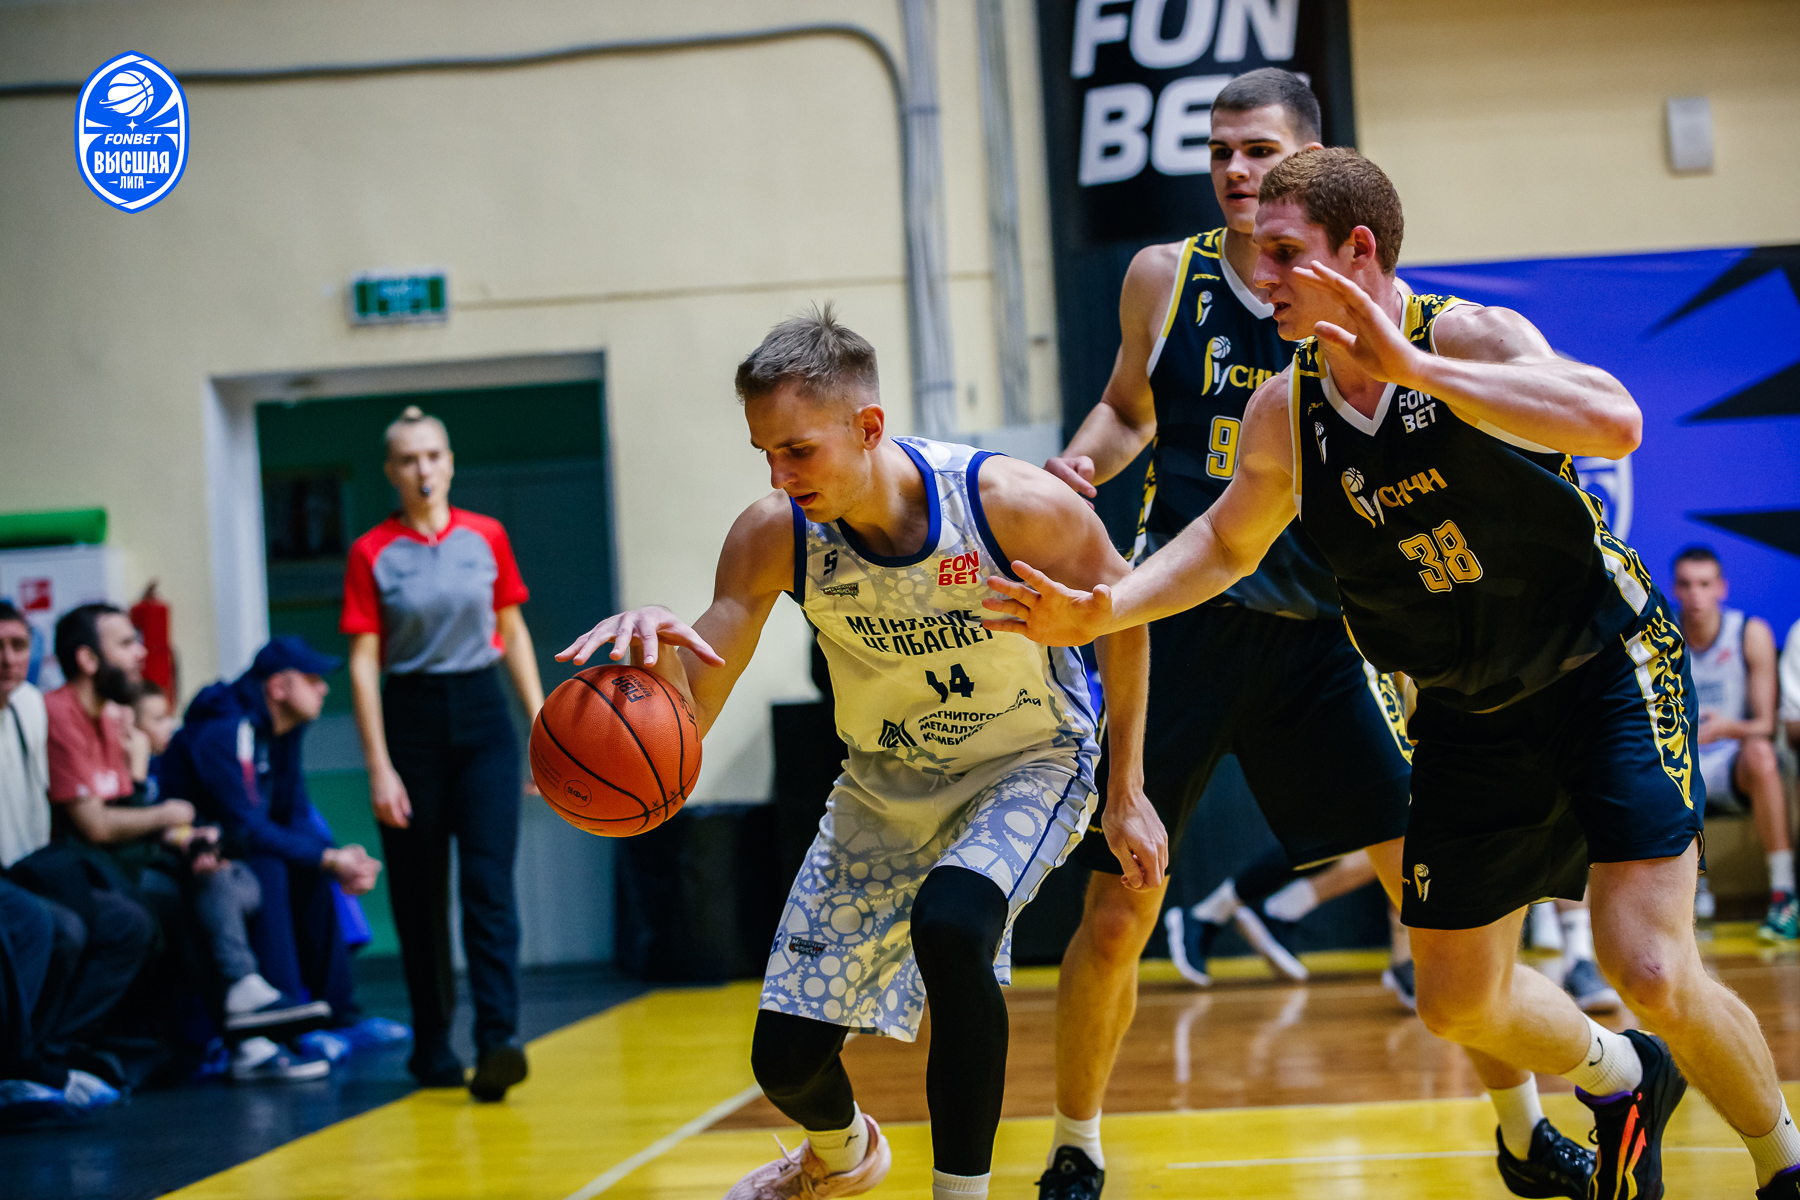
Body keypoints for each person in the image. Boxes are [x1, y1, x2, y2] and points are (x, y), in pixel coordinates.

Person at [985, 146, 1800, 1199]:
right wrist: (1111, 605)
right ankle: (1625, 1073)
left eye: (1285, 254)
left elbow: (1616, 419)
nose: (1262, 276)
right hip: (1466, 711)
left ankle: (1782, 1162)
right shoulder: (1286, 411)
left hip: (1598, 668)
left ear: (1357, 250)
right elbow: (1226, 544)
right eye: (1257, 255)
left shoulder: (1467, 337)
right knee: (1455, 999)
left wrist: (1417, 371)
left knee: (1647, 964)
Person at [1035, 69, 1586, 1200]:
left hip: (1328, 633)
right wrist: (1085, 459)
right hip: (1182, 624)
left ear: (1313, 169)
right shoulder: (1164, 278)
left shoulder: (1358, 301)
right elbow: (1131, 410)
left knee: (1432, 894)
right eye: (1220, 150)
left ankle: (1524, 1128)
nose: (1236, 170)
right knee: (1119, 906)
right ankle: (1075, 1145)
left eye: (1260, 151)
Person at [558, 307, 1149, 1200]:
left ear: (868, 427)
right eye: (765, 453)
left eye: (798, 450)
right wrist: (652, 657)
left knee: (953, 925)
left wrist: (1127, 787)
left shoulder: (1013, 507)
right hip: (882, 786)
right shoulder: (774, 535)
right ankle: (840, 1157)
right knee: (785, 1060)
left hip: (1027, 761)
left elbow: (1128, 615)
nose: (779, 474)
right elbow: (691, 714)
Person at [343, 406, 546, 1100]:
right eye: (408, 459)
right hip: (411, 719)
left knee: (489, 886)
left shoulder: (487, 536)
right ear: (391, 472)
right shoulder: (372, 552)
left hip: (483, 715)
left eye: (432, 455)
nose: (422, 468)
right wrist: (379, 765)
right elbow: (363, 662)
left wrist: (541, 725)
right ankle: (431, 1044)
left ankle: (499, 1040)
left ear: (450, 463)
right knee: (418, 891)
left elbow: (512, 630)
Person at [158, 635, 385, 1081]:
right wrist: (328, 859)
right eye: (312, 679)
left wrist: (336, 859)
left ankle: (338, 1015)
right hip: (197, 859)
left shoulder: (284, 731)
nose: (323, 688)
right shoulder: (227, 730)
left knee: (310, 863)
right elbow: (248, 828)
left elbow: (293, 813)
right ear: (279, 687)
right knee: (274, 865)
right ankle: (283, 1024)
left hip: (238, 848)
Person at [0, 602, 126, 1116]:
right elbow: (95, 822)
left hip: (30, 862)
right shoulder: (51, 707)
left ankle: (52, 1047)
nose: (8, 659)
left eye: (18, 646)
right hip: (12, 877)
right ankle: (16, 1065)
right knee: (52, 926)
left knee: (125, 921)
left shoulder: (29, 705)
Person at [1671, 545, 1793, 939]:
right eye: (1687, 584)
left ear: (1722, 587)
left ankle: (1784, 892)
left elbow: (1765, 725)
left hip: (1728, 760)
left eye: (1705, 584)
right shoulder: (1663, 636)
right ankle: (1680, 890)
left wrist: (1725, 729)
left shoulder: (1748, 633)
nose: (1696, 595)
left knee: (1762, 754)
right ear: (1674, 589)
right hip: (1677, 761)